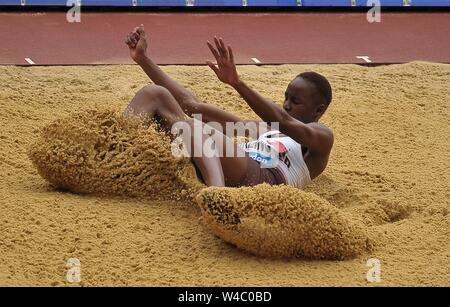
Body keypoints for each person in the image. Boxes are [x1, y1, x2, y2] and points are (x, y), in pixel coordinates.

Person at [124, 25, 333, 189]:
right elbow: (191, 106)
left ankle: (218, 194)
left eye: (295, 101)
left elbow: (284, 121)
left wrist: (237, 83)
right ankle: (112, 152)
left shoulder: (321, 139)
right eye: (286, 98)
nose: (286, 105)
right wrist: (143, 59)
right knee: (154, 94)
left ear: (318, 110)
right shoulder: (264, 129)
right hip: (223, 162)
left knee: (193, 127)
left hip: (263, 178)